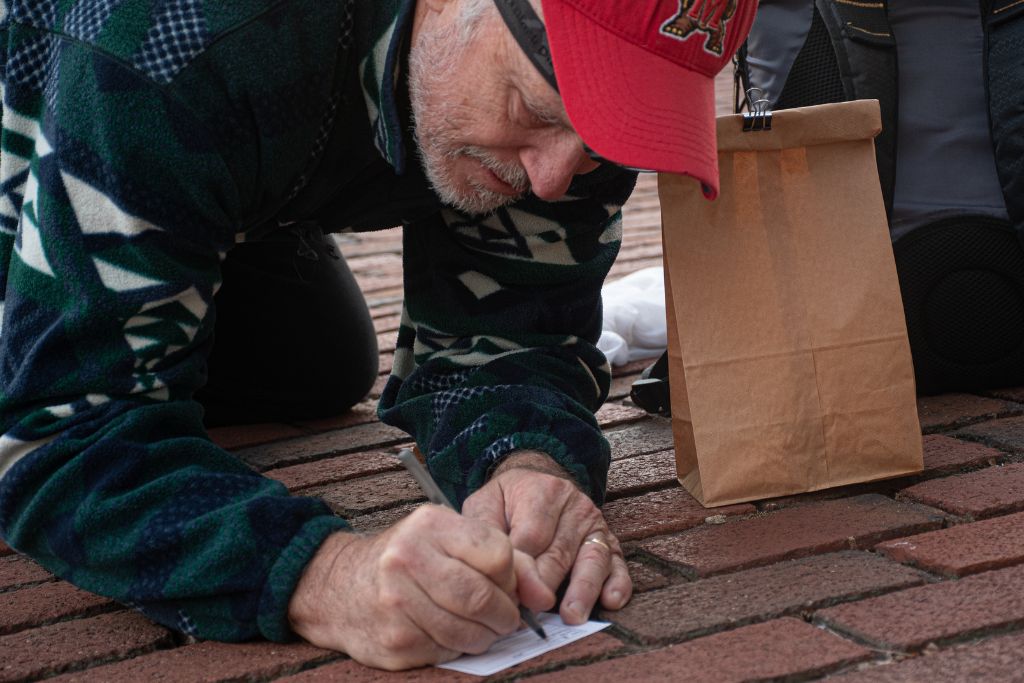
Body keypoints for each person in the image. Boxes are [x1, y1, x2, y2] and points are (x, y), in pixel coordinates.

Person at [0, 0, 755, 671]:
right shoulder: (167, 42)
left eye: (608, 132)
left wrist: (526, 462)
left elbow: (509, 344)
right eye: (534, 106)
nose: (556, 177)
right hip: (102, 114)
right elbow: (58, 435)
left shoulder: (559, 104)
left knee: (317, 364)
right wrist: (321, 576)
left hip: (218, 139)